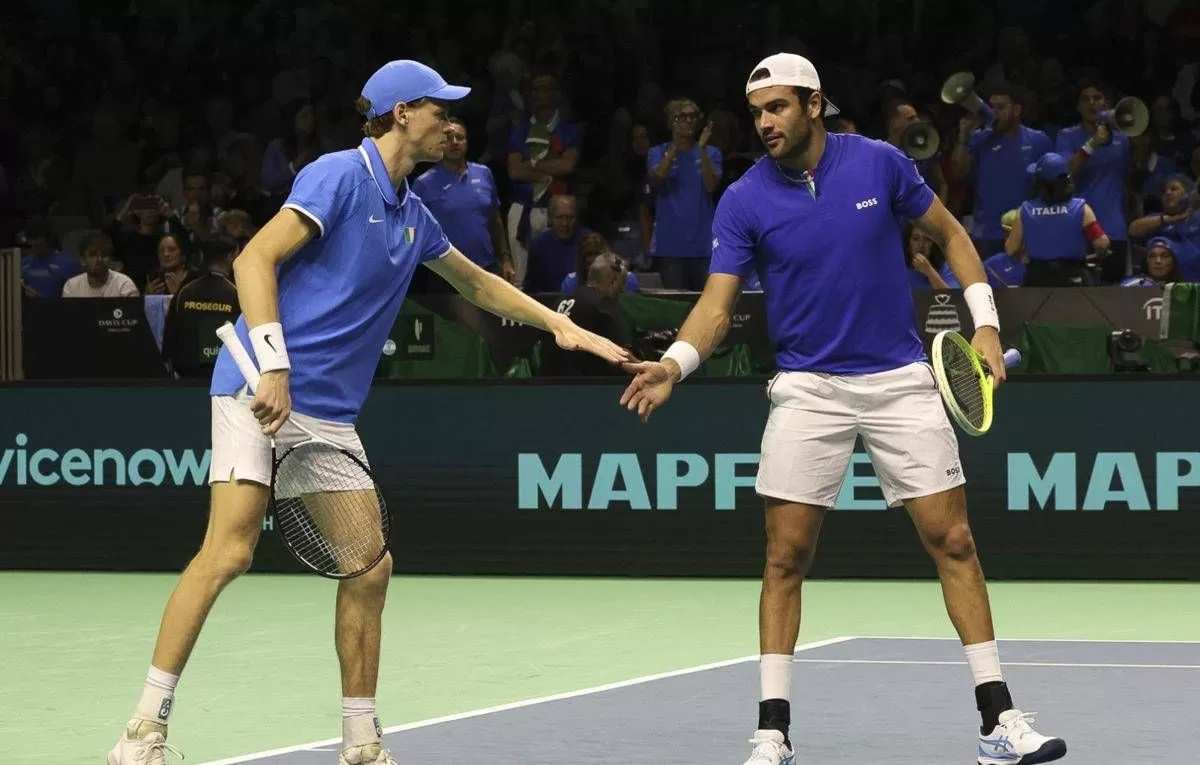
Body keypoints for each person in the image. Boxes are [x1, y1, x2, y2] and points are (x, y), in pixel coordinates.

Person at [107, 59, 631, 765]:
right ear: (400, 113)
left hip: (325, 412)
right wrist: (275, 364)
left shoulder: (415, 213)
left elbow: (478, 285)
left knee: (368, 567)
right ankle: (143, 729)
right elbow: (254, 260)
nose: (451, 125)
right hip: (256, 385)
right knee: (229, 550)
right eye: (439, 111)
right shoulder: (338, 175)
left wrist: (559, 325)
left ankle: (360, 741)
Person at [618, 53, 1067, 765]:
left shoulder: (879, 163)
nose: (764, 122)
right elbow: (715, 305)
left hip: (899, 380)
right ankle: (773, 733)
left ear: (813, 104)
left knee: (953, 541)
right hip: (808, 388)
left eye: (777, 107)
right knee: (784, 557)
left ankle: (998, 721)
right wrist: (675, 364)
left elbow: (952, 235)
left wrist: (984, 323)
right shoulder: (743, 199)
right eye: (756, 112)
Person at [1005, 153, 1110, 287]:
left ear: (1039, 183)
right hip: (1073, 278)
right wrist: (1100, 254)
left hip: (1037, 280)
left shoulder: (1025, 210)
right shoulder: (1081, 209)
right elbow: (1102, 243)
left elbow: (1010, 249)